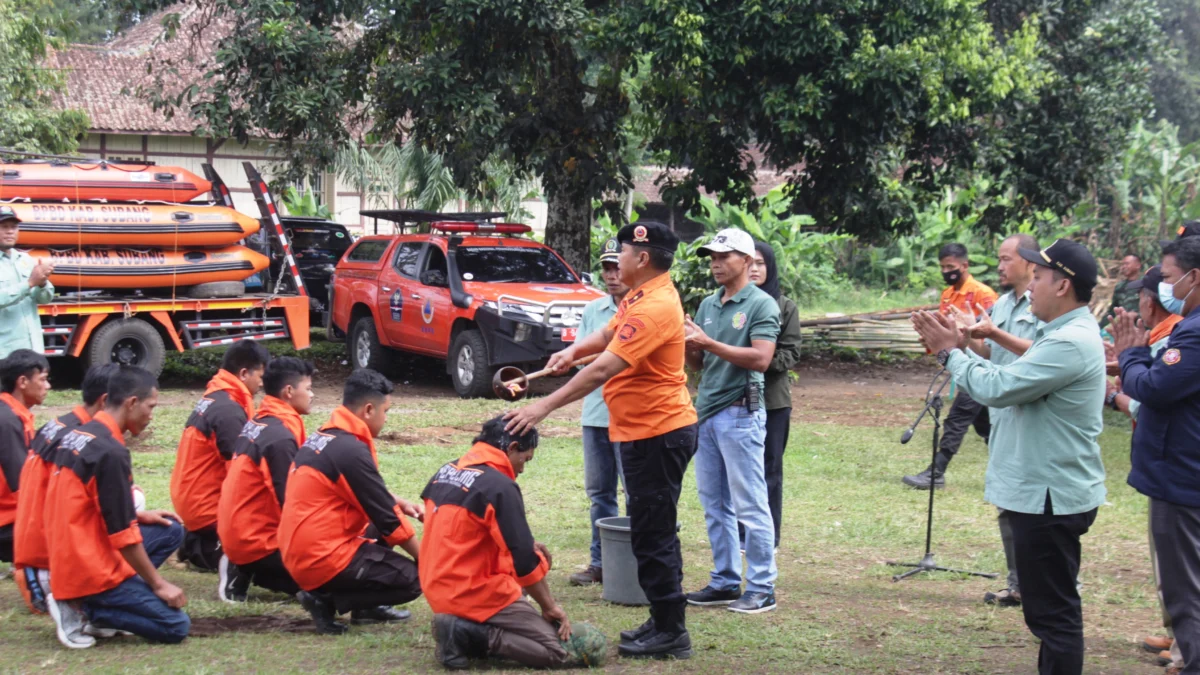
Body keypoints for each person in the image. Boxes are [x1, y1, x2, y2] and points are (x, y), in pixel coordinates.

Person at [504, 222, 699, 660]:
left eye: (624, 251)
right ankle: (664, 619)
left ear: (642, 258)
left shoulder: (656, 306)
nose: (618, 259)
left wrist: (542, 406)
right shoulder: (641, 295)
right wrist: (572, 350)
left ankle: (671, 630)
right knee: (651, 529)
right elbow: (609, 335)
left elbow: (603, 369)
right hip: (641, 431)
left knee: (654, 532)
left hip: (658, 432)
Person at [912, 238, 1106, 675]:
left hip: (1050, 497)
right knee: (1047, 612)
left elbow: (998, 388)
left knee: (1053, 615)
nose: (1031, 285)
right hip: (1042, 493)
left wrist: (949, 352)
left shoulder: (1069, 342)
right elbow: (1007, 374)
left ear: (1062, 286)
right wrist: (967, 344)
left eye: (1038, 277)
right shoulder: (1056, 335)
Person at [422, 416, 607, 670]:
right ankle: (469, 633)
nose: (522, 469)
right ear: (511, 448)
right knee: (557, 652)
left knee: (527, 559)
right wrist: (550, 607)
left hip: (437, 587)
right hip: (469, 592)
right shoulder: (499, 486)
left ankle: (460, 627)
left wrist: (527, 547)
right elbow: (524, 563)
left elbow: (464, 535)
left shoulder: (444, 472)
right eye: (525, 459)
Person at [44, 366, 189, 648]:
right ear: (132, 403)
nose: (151, 415)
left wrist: (137, 514)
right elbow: (122, 534)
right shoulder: (110, 452)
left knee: (169, 530)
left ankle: (102, 601)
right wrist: (159, 584)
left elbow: (86, 505)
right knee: (175, 625)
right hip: (86, 565)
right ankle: (86, 608)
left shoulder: (79, 434)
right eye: (151, 406)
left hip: (69, 551)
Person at [279, 368, 422, 635]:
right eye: (386, 412)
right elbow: (388, 520)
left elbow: (362, 491)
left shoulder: (328, 435)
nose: (386, 419)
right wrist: (425, 559)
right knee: (414, 580)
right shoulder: (350, 449)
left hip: (299, 546)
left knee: (383, 525)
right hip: (317, 555)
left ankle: (366, 608)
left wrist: (399, 501)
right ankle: (325, 600)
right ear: (368, 410)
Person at [1114, 235, 1200, 675]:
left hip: (1181, 477)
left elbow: (1153, 388)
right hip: (1183, 471)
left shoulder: (1194, 332)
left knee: (1185, 591)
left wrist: (1130, 354)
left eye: (1167, 277)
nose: (1165, 288)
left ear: (1194, 277)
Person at [682, 228, 780, 614]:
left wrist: (708, 343)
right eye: (712, 257)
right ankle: (724, 580)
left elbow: (761, 359)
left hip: (741, 412)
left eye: (724, 257)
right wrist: (691, 346)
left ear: (747, 260)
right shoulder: (708, 303)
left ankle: (761, 586)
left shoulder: (761, 305)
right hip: (706, 412)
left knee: (750, 504)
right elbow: (701, 365)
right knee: (713, 502)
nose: (716, 264)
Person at [945, 233, 1041, 608]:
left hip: (1033, 413)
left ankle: (1050, 584)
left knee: (1038, 506)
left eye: (1006, 259)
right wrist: (965, 335)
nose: (1000, 266)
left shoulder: (1044, 305)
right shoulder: (1002, 304)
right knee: (1007, 499)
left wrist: (990, 333)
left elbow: (1045, 354)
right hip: (1002, 414)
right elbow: (990, 351)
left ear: (1031, 262)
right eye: (999, 259)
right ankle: (1018, 584)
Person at [1103, 265, 1184, 671]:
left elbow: (1151, 392)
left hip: (1178, 465)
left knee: (1179, 560)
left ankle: (1187, 645)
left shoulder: (1178, 334)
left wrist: (1117, 386)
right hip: (1163, 460)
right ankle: (1178, 632)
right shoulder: (1164, 334)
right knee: (1170, 560)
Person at [13, 363, 116, 614]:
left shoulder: (58, 424)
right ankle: (86, 598)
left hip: (31, 548)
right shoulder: (84, 437)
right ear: (106, 401)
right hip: (45, 558)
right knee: (136, 510)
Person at [216, 357, 315, 602]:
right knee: (331, 577)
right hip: (256, 540)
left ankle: (244, 565)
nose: (312, 395)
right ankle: (247, 566)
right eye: (309, 388)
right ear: (289, 391)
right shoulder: (279, 437)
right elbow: (290, 501)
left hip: (242, 532)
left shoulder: (261, 421)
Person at [902, 242, 998, 489]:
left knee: (959, 416)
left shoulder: (984, 295)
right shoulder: (947, 294)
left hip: (983, 365)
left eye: (951, 266)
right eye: (943, 267)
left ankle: (936, 472)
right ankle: (1011, 467)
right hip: (960, 362)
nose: (947, 271)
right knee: (984, 422)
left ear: (965, 265)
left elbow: (990, 335)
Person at [171, 339, 270, 571]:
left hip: (194, 503)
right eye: (260, 376)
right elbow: (240, 476)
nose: (262, 384)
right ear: (244, 373)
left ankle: (193, 541)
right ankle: (199, 548)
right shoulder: (228, 411)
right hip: (206, 508)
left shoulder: (216, 398)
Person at [569, 237, 628, 587]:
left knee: (635, 494)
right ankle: (600, 562)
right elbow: (580, 360)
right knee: (600, 494)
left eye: (618, 267)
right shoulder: (594, 311)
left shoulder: (644, 309)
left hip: (631, 417)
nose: (612, 274)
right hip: (595, 415)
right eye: (606, 268)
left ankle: (634, 562)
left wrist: (599, 360)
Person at [747, 240, 802, 550]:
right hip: (734, 399)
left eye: (760, 263)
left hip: (772, 402)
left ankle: (769, 535)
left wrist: (757, 359)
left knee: (769, 469)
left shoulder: (785, 307)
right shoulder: (731, 304)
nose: (754, 269)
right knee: (739, 471)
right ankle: (741, 533)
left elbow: (791, 353)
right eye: (749, 262)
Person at [0, 349, 51, 565]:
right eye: (43, 379)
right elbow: (23, 483)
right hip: (7, 520)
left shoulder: (14, 414)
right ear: (22, 381)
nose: (47, 386)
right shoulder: (7, 420)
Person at [0, 206, 54, 359]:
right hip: (5, 352)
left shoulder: (25, 260)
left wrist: (43, 283)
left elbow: (45, 299)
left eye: (14, 227)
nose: (10, 231)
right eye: (4, 227)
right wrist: (30, 283)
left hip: (32, 348)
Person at [1100, 254, 1144, 329]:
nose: (1123, 267)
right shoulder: (1119, 287)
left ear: (1138, 265)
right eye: (1122, 264)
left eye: (1127, 264)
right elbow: (1112, 311)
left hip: (1142, 329)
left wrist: (1136, 315)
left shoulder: (1145, 285)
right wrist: (1099, 326)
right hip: (1124, 331)